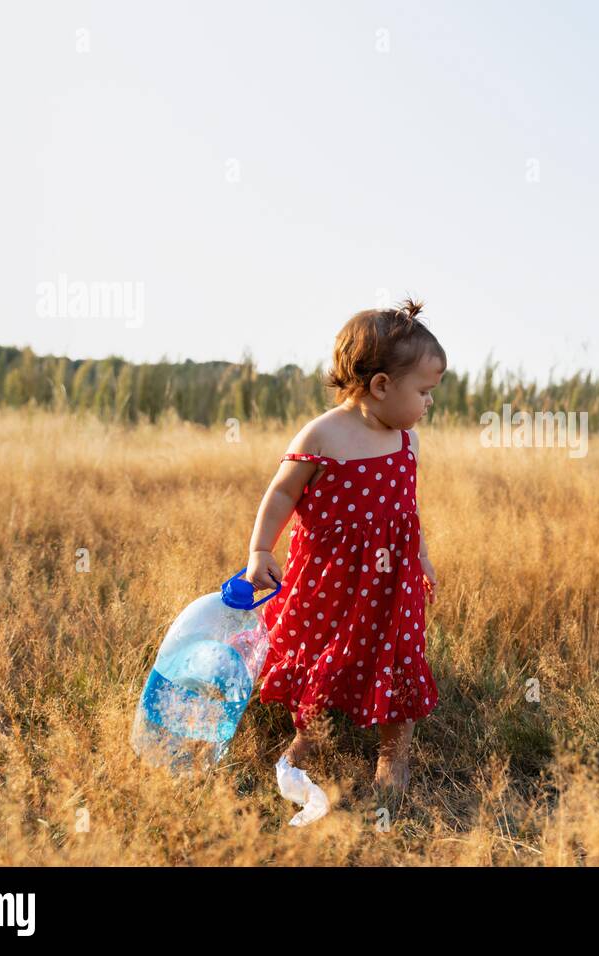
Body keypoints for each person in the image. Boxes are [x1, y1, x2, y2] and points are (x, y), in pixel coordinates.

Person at [245, 298, 444, 797]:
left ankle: (392, 755)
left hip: (391, 581)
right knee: (323, 655)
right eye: (423, 391)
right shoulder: (324, 434)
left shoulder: (407, 442)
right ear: (381, 386)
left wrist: (420, 558)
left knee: (398, 656)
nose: (429, 403)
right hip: (330, 578)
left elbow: (406, 512)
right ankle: (308, 739)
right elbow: (283, 493)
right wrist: (261, 552)